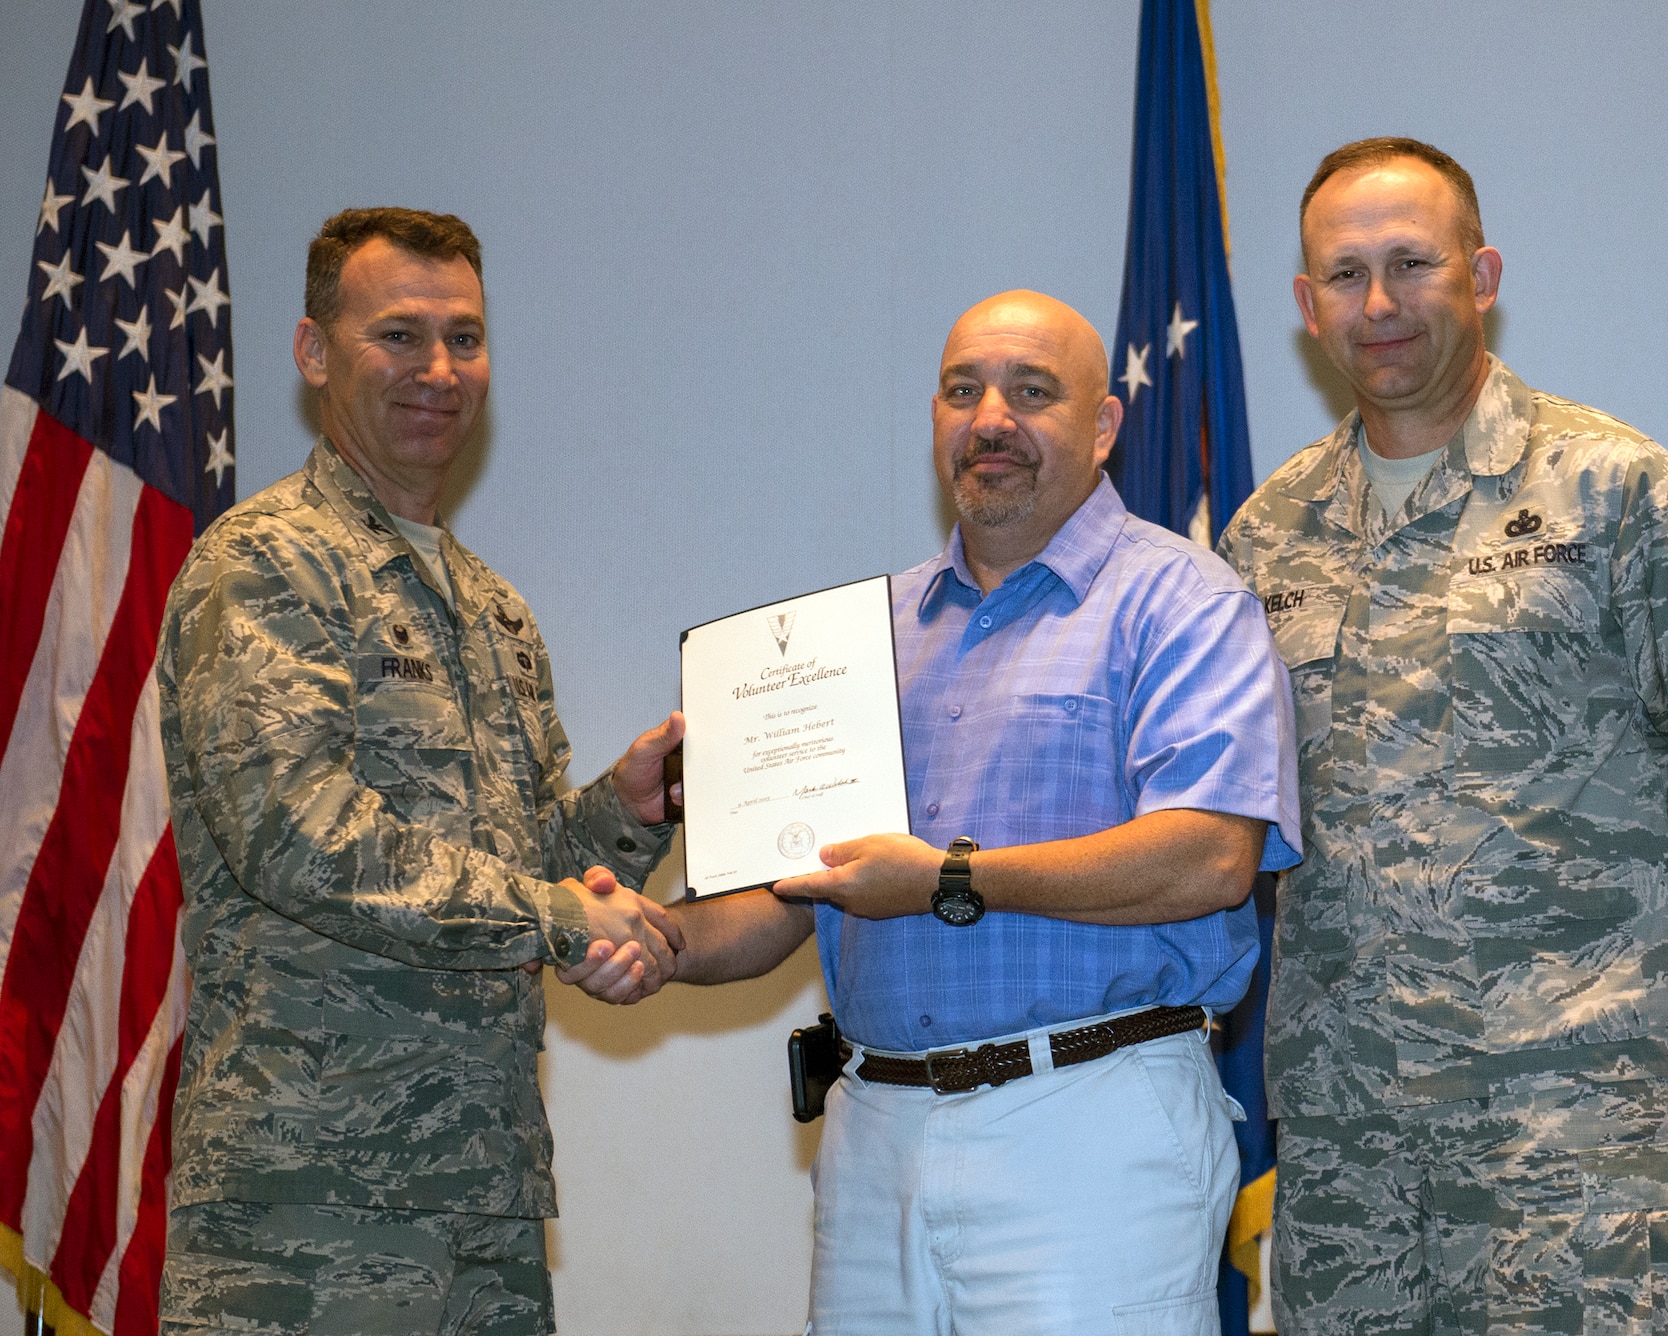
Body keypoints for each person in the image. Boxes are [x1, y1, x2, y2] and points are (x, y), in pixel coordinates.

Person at [1218, 138, 1668, 1334]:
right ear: (1304, 306)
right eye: (1343, 275)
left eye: (1412, 263)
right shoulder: (1262, 537)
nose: (1378, 304)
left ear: (1481, 274)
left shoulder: (1614, 490)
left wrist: (1608, 952)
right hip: (1351, 1145)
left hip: (1574, 1127)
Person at [650, 291, 1302, 1334]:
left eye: (1030, 391)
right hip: (871, 1133)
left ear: (1101, 426)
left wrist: (950, 878)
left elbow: (1209, 858)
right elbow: (794, 893)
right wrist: (659, 941)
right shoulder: (862, 638)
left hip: (1088, 1129)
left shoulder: (1182, 602)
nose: (989, 417)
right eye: (964, 390)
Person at [156, 207, 685, 1336]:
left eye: (465, 337)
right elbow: (300, 831)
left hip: (482, 1201)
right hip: (306, 1207)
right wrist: (555, 913)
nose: (438, 370)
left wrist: (619, 816)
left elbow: (510, 864)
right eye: (399, 334)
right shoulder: (265, 562)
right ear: (314, 352)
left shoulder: (493, 609)